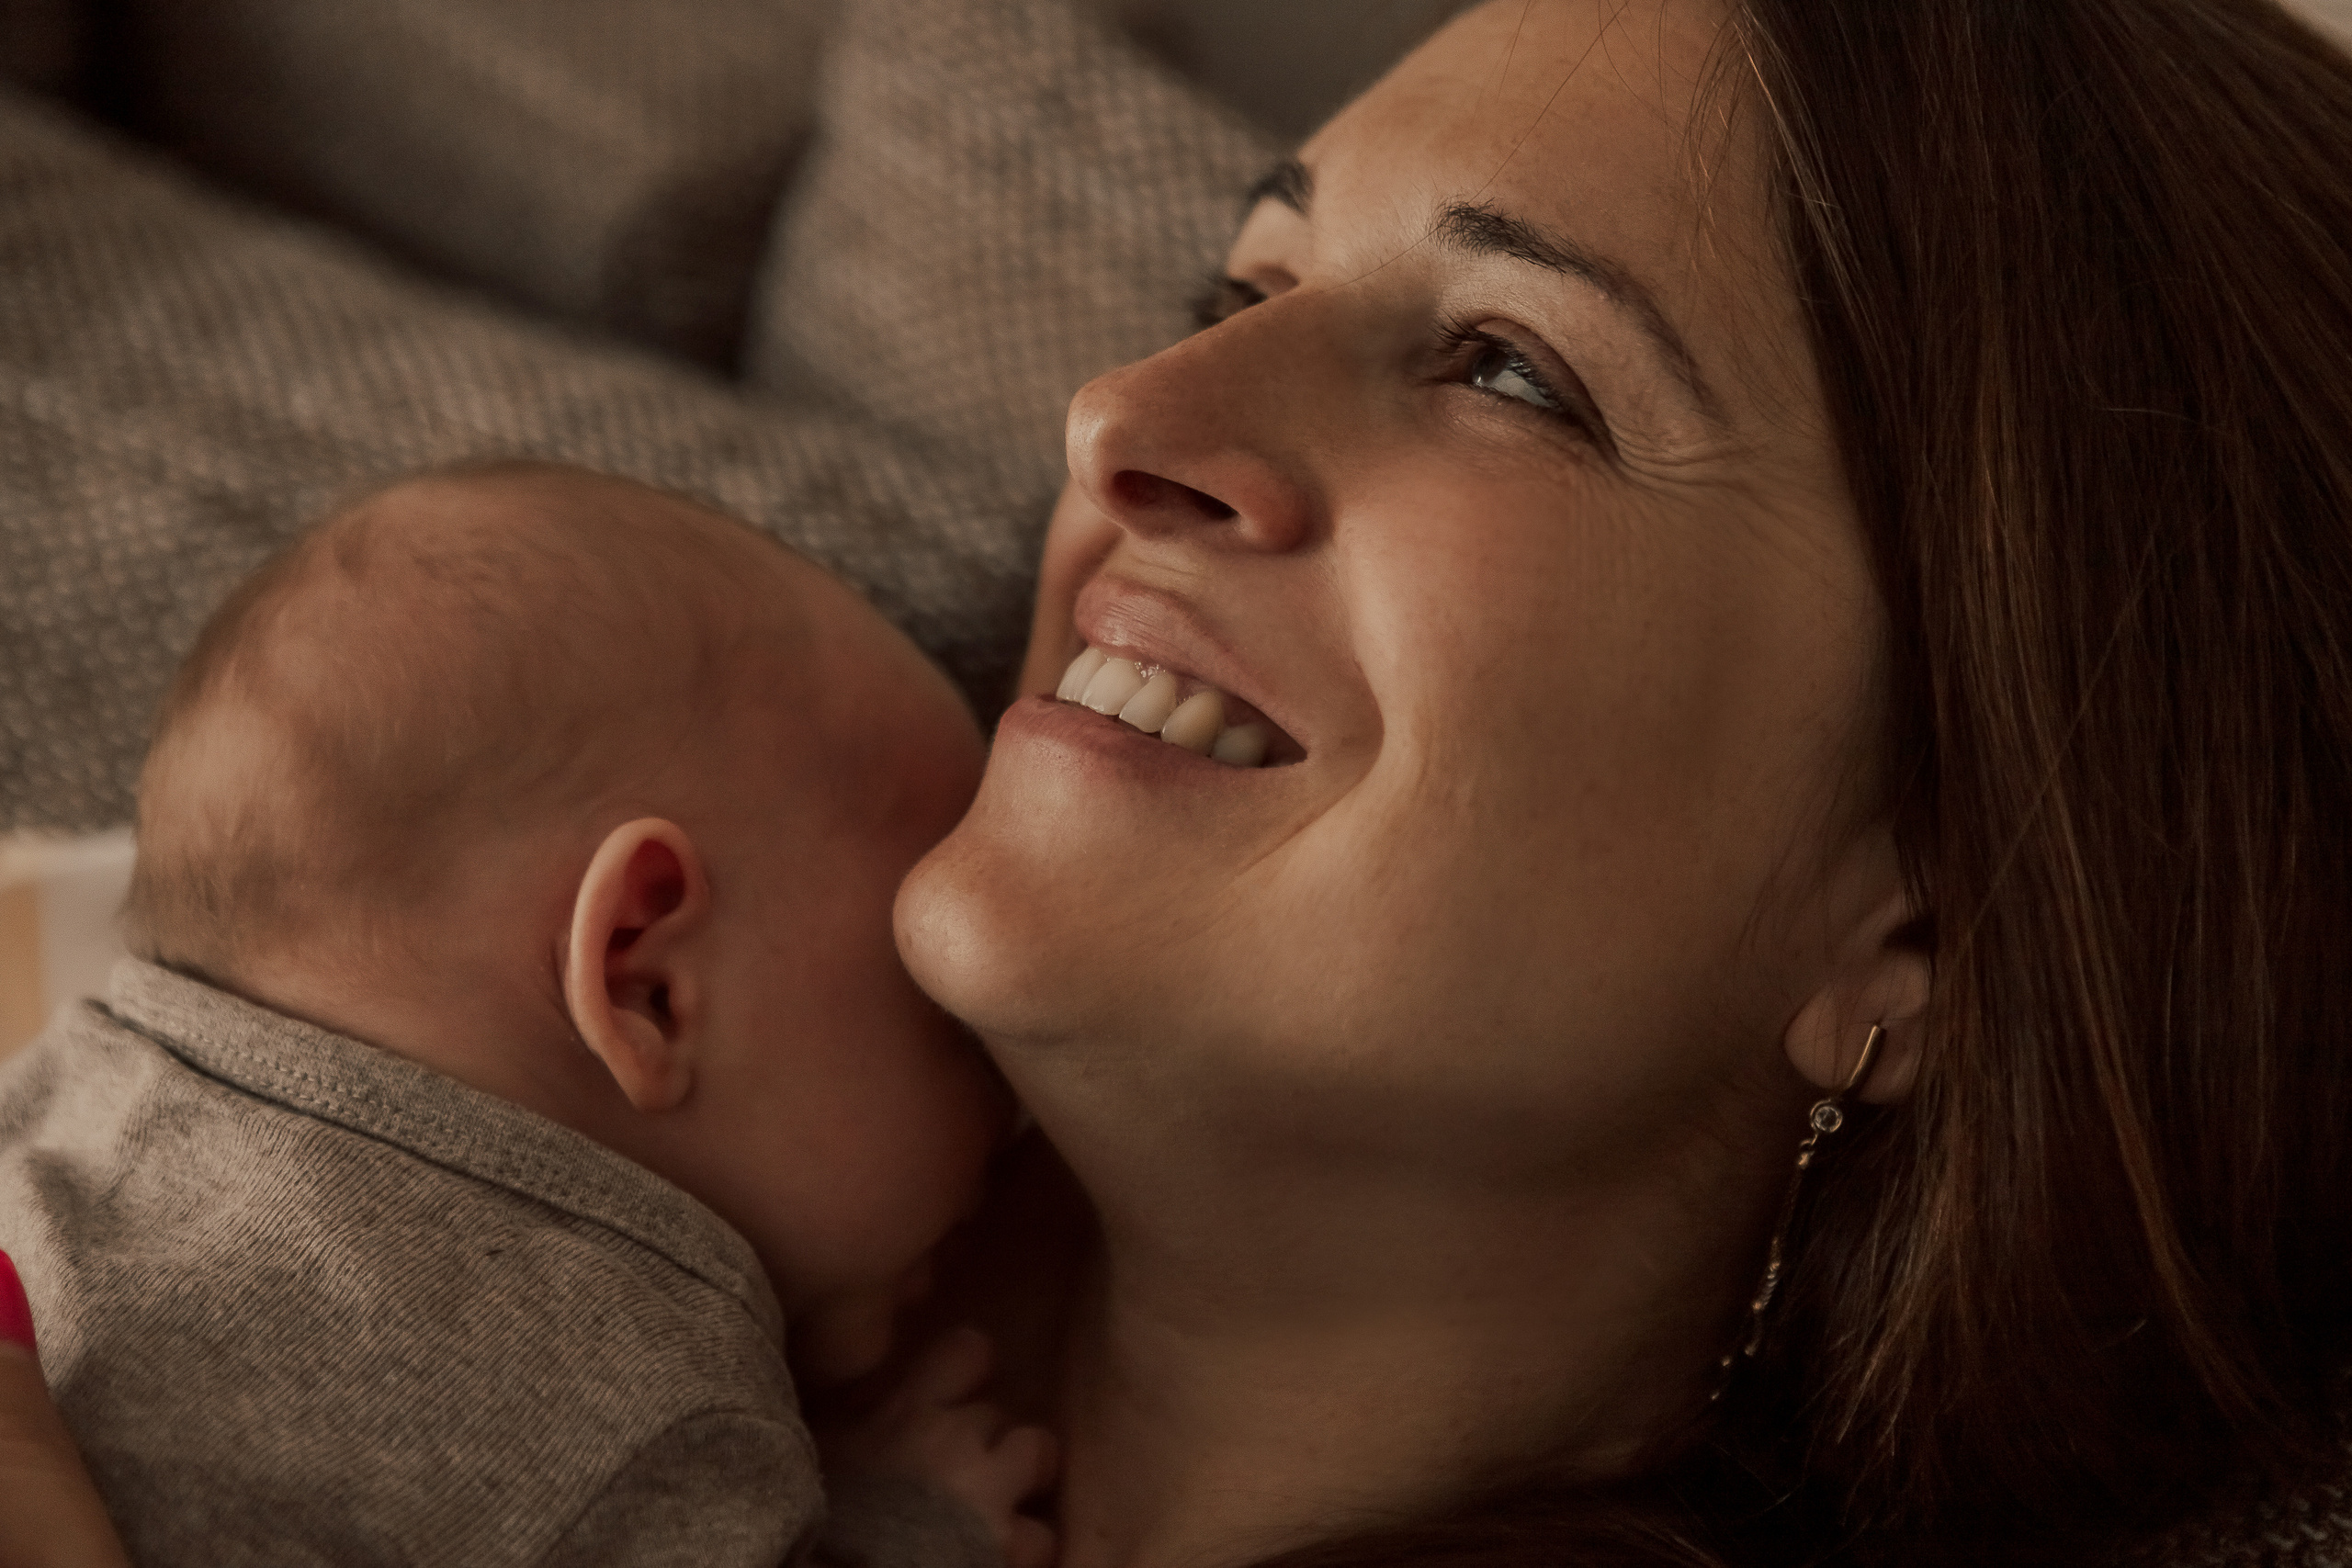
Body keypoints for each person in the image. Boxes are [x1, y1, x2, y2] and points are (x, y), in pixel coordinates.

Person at [7, 0, 2352, 1563]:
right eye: (1243, 288)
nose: (1119, 418)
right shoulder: (509, 846)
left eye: (1513, 370)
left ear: (1923, 912)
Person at [0, 463, 1057, 1566]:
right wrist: (911, 1532)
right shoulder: (637, 1397)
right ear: (643, 975)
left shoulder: (69, 1098)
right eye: (942, 1007)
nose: (1011, 1094)